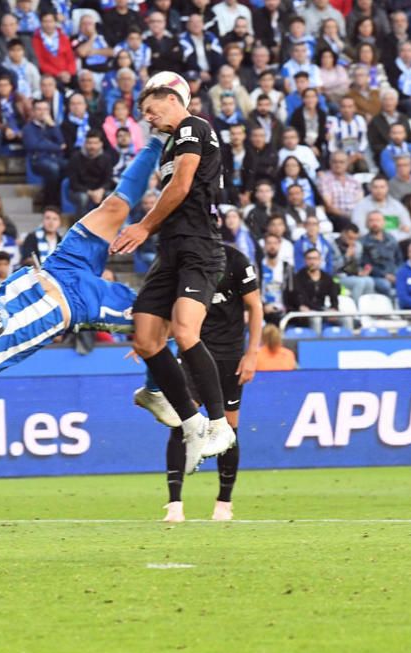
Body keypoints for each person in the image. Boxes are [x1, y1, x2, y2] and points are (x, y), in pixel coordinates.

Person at [0, 134, 162, 466]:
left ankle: (157, 141)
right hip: (78, 302)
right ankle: (154, 392)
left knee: (114, 206)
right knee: (158, 320)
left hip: (61, 264)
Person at [108, 85, 239, 468]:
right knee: (147, 337)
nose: (148, 118)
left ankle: (219, 423)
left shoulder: (192, 127)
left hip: (199, 246)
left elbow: (182, 186)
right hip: (172, 250)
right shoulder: (169, 145)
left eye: (151, 110)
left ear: (172, 100)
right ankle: (190, 418)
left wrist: (143, 227)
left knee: (185, 332)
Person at [152, 239, 262, 523]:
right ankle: (174, 504)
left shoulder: (236, 261)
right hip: (192, 352)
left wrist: (252, 353)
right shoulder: (185, 261)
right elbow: (165, 304)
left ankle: (224, 502)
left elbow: (255, 306)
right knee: (181, 421)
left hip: (229, 356)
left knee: (229, 427)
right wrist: (150, 337)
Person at [22, 98, 66, 207]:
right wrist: (56, 147)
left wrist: (53, 126)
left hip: (55, 158)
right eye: (39, 109)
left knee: (70, 166)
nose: (42, 112)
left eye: (45, 109)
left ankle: (59, 200)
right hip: (38, 160)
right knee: (53, 169)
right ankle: (50, 202)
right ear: (33, 112)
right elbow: (34, 145)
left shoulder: (52, 126)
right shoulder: (28, 128)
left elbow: (62, 143)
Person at [287, 247, 339, 332]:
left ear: (320, 260)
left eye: (315, 258)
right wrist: (304, 307)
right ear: (305, 261)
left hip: (321, 309)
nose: (312, 262)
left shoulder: (327, 278)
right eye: (309, 259)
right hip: (305, 311)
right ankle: (317, 344)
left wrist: (334, 308)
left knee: (345, 318)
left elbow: (334, 296)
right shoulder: (298, 277)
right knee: (316, 318)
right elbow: (300, 298)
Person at [361, 211, 401, 297]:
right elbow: (366, 265)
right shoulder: (363, 242)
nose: (375, 223)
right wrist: (385, 275)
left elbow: (399, 259)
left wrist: (397, 274)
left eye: (378, 220)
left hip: (394, 274)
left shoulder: (391, 239)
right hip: (376, 276)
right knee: (385, 285)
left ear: (383, 222)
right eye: (371, 221)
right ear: (367, 223)